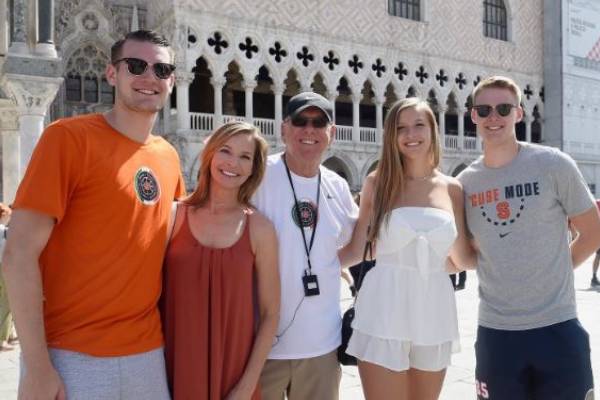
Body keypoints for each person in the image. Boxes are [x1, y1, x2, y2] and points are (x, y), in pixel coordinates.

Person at [2, 30, 185, 399]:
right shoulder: (67, 140)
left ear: (172, 81)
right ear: (111, 73)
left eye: (161, 69)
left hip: (147, 355)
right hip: (72, 355)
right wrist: (38, 368)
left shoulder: (168, 156)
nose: (150, 77)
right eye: (136, 66)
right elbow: (19, 254)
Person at [458, 75, 600, 400]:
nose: (494, 117)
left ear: (519, 114)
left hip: (558, 326)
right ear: (474, 115)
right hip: (497, 333)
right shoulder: (465, 183)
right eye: (484, 109)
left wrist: (557, 270)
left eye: (504, 108)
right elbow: (464, 253)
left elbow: (593, 232)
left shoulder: (552, 164)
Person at [338, 97, 476, 400]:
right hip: (384, 305)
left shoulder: (452, 187)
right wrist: (305, 263)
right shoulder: (378, 182)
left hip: (435, 306)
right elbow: (359, 249)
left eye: (418, 125)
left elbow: (463, 258)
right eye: (401, 128)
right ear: (392, 135)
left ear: (433, 129)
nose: (410, 135)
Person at [161, 121, 280, 399]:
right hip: (173, 368)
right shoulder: (173, 216)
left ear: (254, 168)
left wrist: (246, 387)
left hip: (235, 374)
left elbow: (271, 314)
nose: (233, 163)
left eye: (245, 157)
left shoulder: (260, 228)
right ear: (210, 154)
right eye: (225, 151)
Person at [253, 92, 358, 400]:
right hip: (262, 346)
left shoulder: (337, 186)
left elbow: (358, 245)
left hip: (321, 347)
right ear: (284, 128)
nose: (309, 130)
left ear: (332, 132)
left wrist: (330, 266)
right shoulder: (257, 175)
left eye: (319, 122)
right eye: (300, 121)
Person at [0, 203, 13, 351]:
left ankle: (11, 333)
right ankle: (3, 339)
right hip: (3, 267)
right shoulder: (4, 231)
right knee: (8, 302)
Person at [591, 199, 600, 287]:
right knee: (598, 255)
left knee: (598, 256)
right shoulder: (597, 203)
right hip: (598, 235)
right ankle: (594, 277)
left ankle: (594, 277)